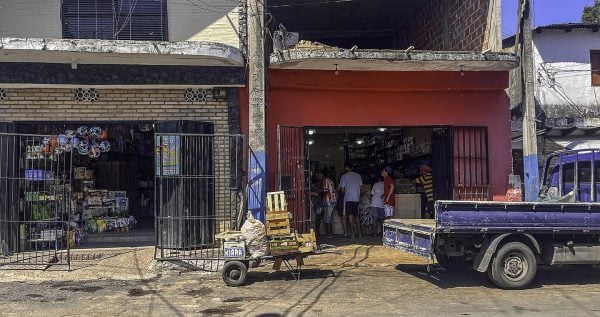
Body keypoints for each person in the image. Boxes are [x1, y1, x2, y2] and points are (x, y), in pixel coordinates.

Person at [339, 162, 363, 238]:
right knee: (357, 216)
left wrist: (347, 192)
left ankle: (352, 234)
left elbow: (342, 189)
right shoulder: (358, 176)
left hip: (348, 198)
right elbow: (361, 187)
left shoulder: (344, 176)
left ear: (346, 168)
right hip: (356, 198)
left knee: (350, 216)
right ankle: (360, 234)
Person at [319, 171, 337, 238]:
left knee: (327, 218)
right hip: (332, 201)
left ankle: (329, 234)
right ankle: (331, 233)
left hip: (329, 202)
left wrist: (319, 194)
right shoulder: (330, 180)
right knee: (329, 218)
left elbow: (325, 191)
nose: (318, 178)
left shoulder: (325, 180)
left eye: (319, 176)